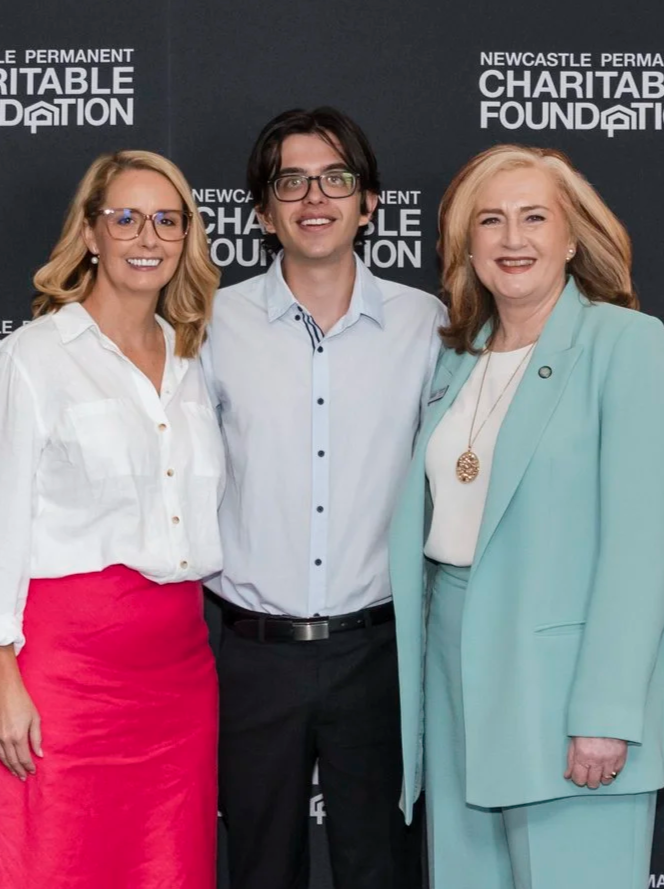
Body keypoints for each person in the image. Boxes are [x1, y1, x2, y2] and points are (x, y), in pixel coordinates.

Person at [388, 144, 664, 889]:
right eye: (489, 220)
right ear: (466, 245)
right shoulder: (457, 357)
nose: (511, 239)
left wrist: (607, 710)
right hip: (455, 683)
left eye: (533, 218)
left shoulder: (625, 343)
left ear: (571, 237)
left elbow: (639, 545)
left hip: (564, 696)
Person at [0, 150, 223, 889]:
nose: (147, 235)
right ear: (92, 234)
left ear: (186, 238)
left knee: (171, 870)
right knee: (54, 865)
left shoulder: (195, 359)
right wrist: (1, 673)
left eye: (168, 220)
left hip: (179, 673)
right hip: (63, 672)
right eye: (125, 217)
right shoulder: (33, 359)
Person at [201, 107, 443, 889]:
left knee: (382, 870)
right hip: (249, 655)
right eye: (291, 180)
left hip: (379, 653)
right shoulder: (208, 324)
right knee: (259, 869)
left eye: (336, 177)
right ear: (263, 210)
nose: (315, 196)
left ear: (369, 202)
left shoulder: (428, 324)